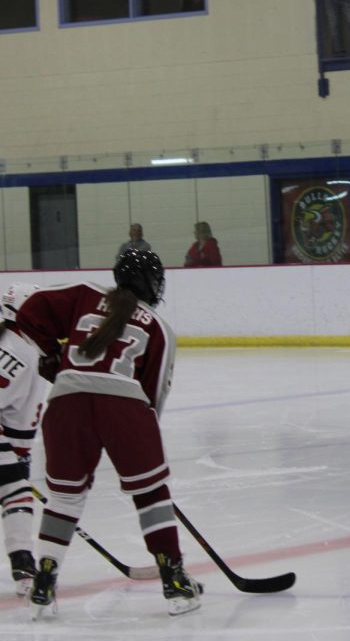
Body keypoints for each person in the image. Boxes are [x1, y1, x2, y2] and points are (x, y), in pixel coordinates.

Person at [15, 250, 203, 618]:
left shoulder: (83, 293)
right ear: (153, 282)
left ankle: (44, 582)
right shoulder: (159, 328)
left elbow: (29, 311)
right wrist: (143, 456)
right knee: (150, 493)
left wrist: (53, 357)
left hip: (66, 401)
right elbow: (151, 398)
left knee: (64, 497)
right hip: (124, 406)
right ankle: (175, 581)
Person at [0, 283, 50, 597]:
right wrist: (21, 453)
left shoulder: (10, 340)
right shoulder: (26, 352)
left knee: (13, 487)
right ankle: (22, 562)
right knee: (17, 490)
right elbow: (22, 419)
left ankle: (22, 561)